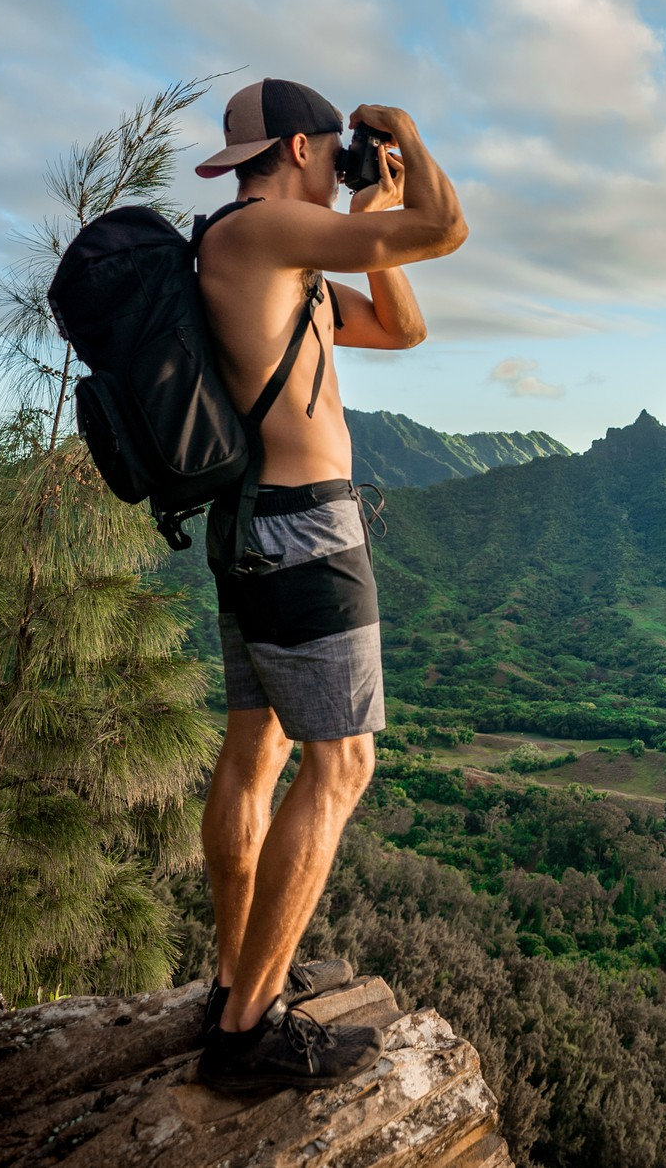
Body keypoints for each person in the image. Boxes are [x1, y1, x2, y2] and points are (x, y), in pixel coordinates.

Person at [187, 78, 466, 1092]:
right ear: (306, 145)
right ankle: (246, 1031)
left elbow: (401, 332)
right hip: (305, 530)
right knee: (341, 769)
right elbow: (449, 226)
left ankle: (231, 981)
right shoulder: (262, 235)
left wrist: (366, 217)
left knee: (257, 749)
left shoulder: (266, 251)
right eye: (335, 150)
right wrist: (406, 138)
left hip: (256, 527)